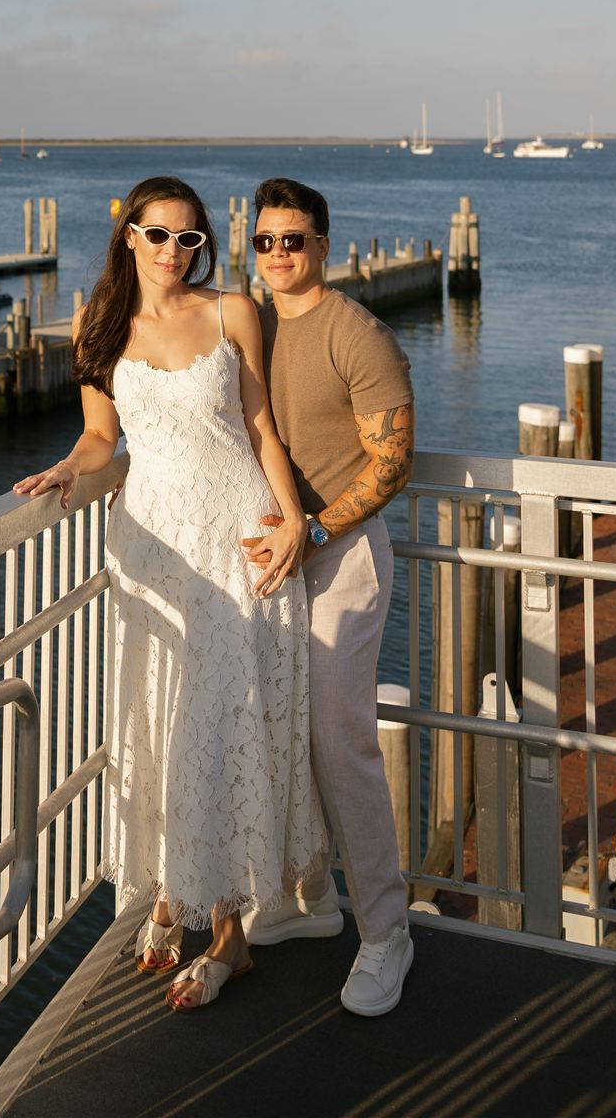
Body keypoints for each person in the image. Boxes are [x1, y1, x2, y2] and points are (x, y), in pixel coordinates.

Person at [13, 177, 326, 1011]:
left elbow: (260, 425)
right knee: (167, 714)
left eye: (189, 239)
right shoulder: (98, 324)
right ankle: (169, 889)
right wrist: (65, 471)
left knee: (220, 720)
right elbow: (99, 436)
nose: (173, 251)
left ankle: (227, 937)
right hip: (154, 543)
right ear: (127, 237)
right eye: (158, 235)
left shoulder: (231, 312)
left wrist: (293, 520)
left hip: (235, 535)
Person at [239, 175, 416, 1017]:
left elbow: (390, 464)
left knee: (340, 742)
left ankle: (387, 932)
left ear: (324, 245)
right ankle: (311, 902)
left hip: (339, 557)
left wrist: (309, 532)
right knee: (276, 726)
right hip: (270, 559)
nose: (278, 254)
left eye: (294, 240)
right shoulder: (250, 319)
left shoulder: (359, 334)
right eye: (264, 240)